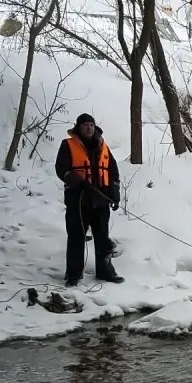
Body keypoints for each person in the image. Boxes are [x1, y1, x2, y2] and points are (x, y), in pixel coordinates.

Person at [55, 113, 124, 287]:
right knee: (76, 237)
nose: (89, 128)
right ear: (79, 127)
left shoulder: (103, 146)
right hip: (78, 200)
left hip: (101, 201)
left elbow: (113, 171)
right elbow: (61, 169)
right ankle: (73, 275)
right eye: (85, 125)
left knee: (102, 237)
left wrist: (114, 194)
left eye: (91, 125)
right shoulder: (68, 145)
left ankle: (105, 272)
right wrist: (79, 183)